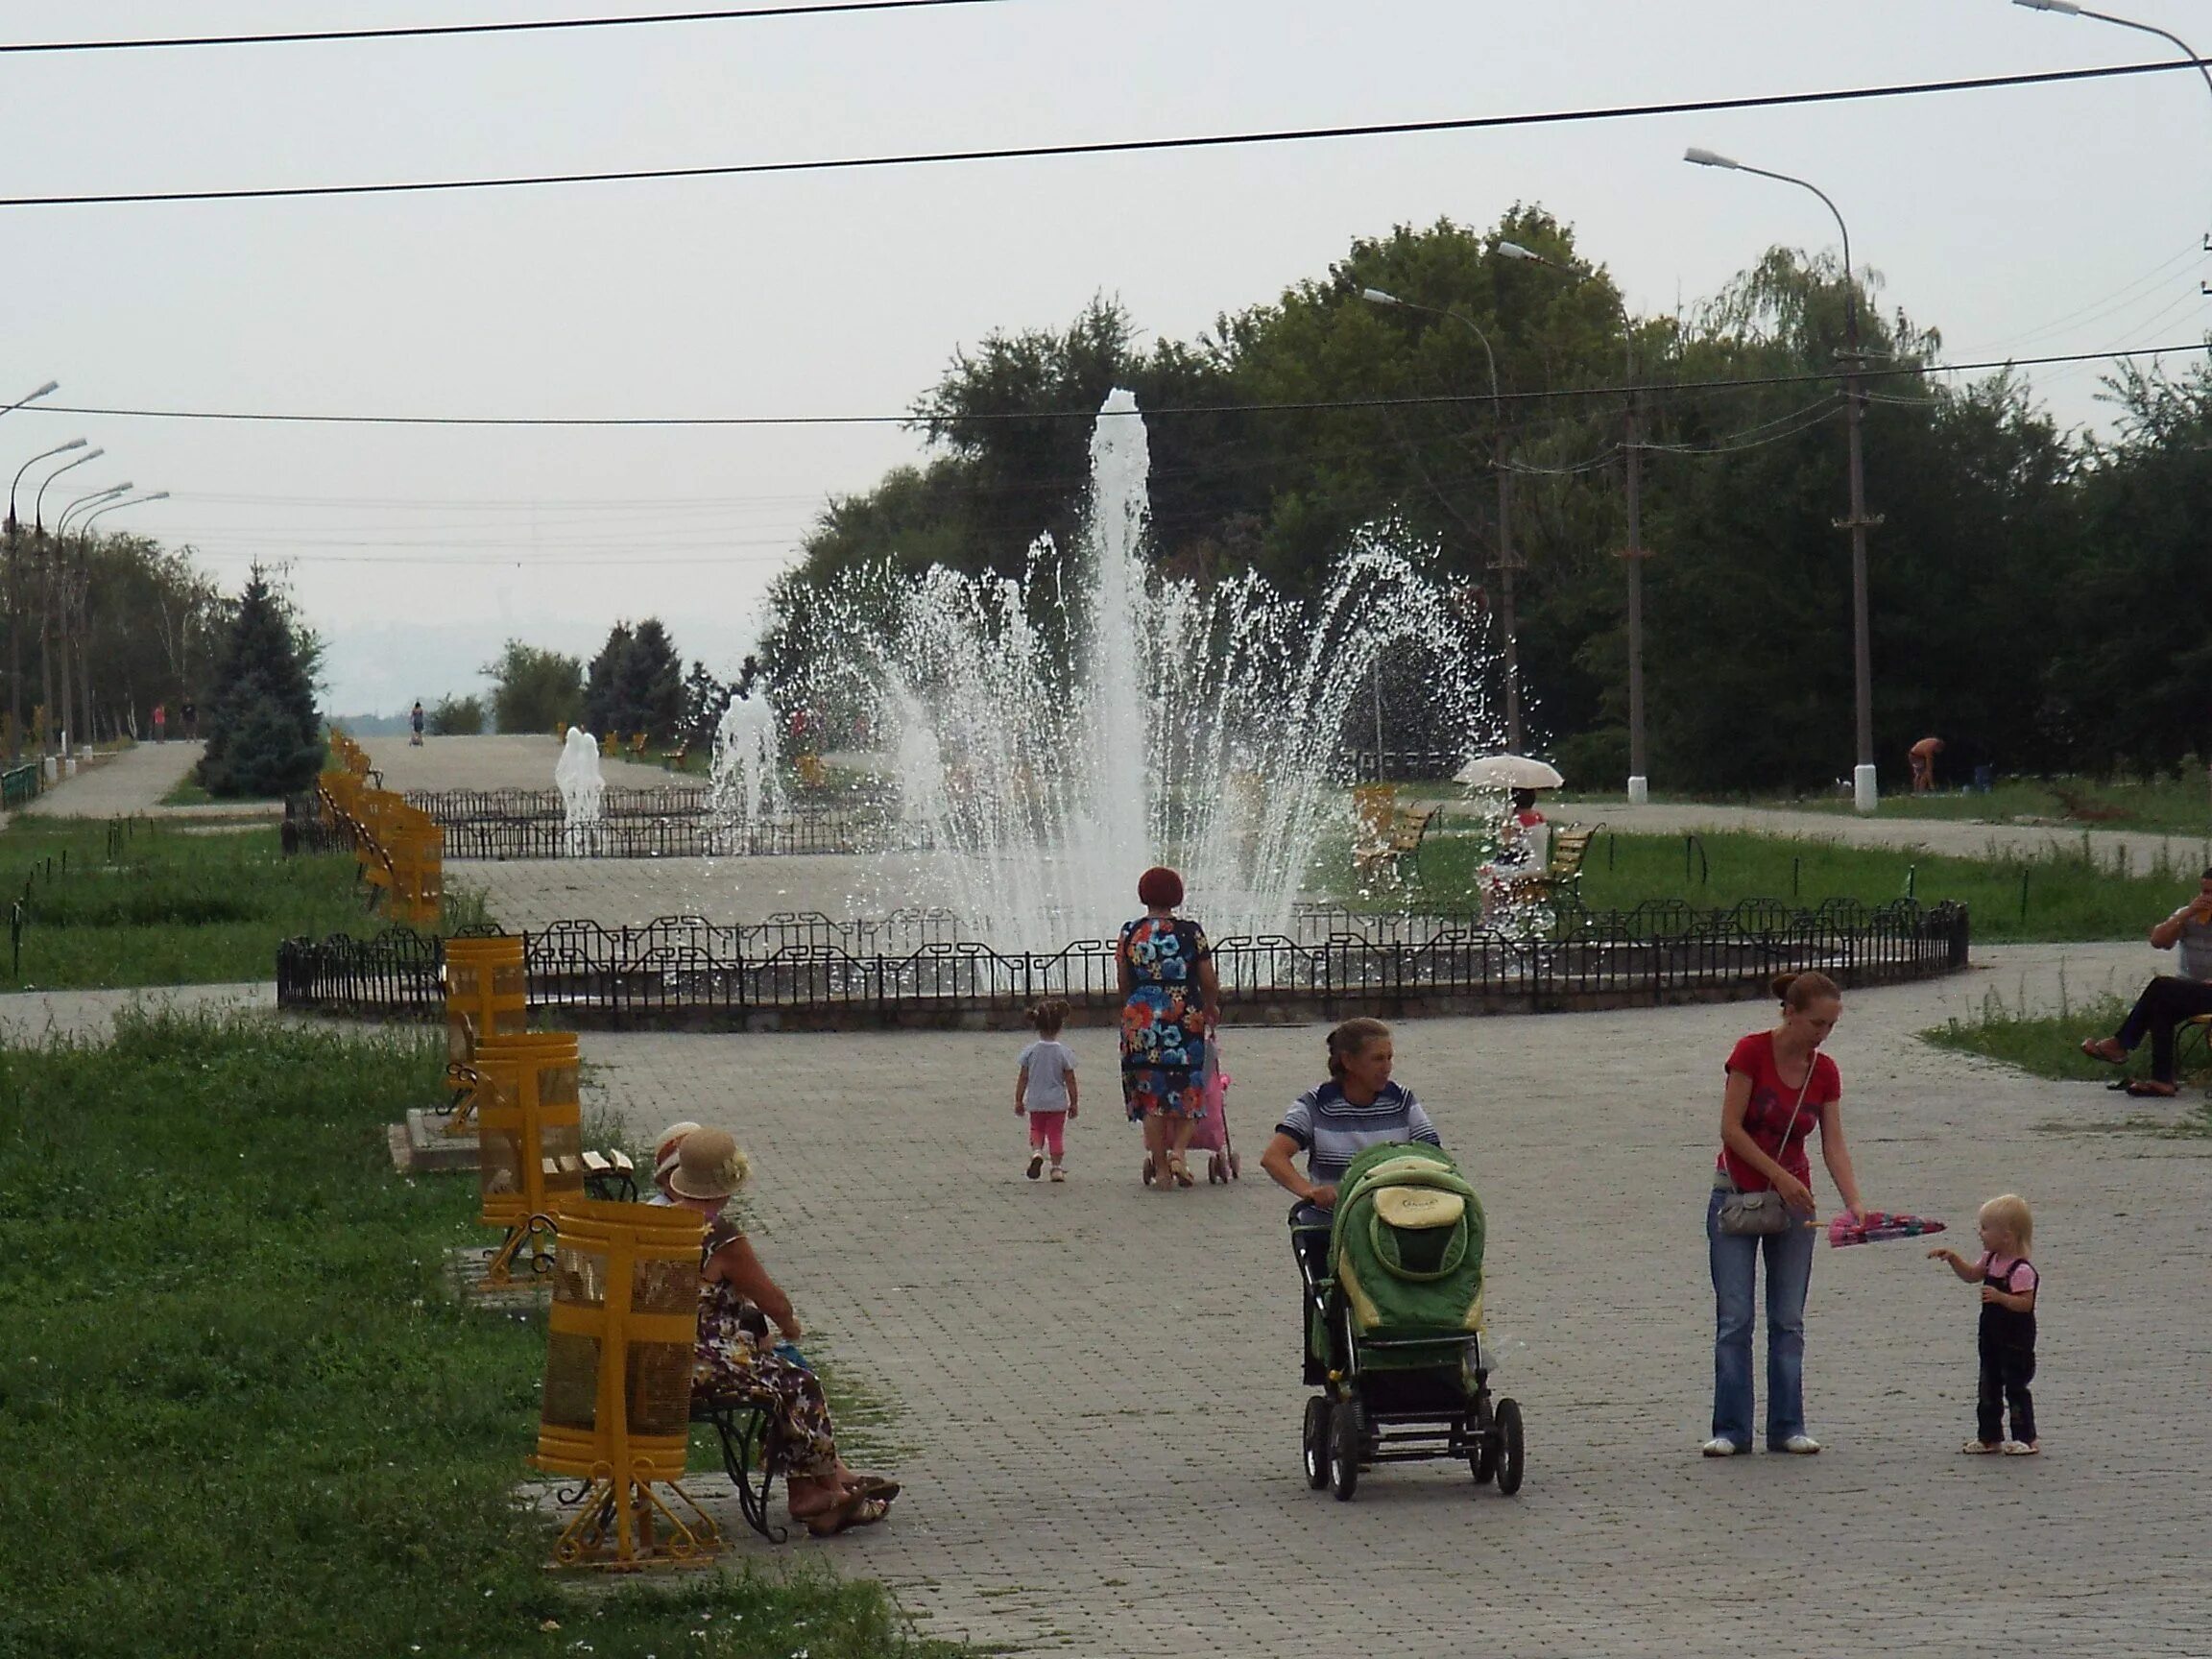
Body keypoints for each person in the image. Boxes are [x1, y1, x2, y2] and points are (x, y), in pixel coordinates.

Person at [666, 1129, 898, 1535]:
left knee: (779, 1378)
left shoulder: (656, 1224)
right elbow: (772, 1301)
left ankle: (825, 1496)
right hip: (701, 1366)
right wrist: (789, 1327)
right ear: (729, 1183)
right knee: (799, 1381)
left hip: (654, 1359)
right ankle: (811, 1494)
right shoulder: (721, 1238)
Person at [1704, 971, 1869, 1457]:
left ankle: (1787, 1426)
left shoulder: (1825, 1071)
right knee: (1735, 1319)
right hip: (1736, 1196)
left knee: (1789, 1319)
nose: (1822, 1034)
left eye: (1831, 1026)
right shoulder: (1751, 1052)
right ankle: (1731, 1430)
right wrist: (1778, 1175)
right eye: (1816, 1023)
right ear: (1790, 1013)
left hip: (1795, 1206)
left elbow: (1833, 1144)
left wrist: (1855, 1203)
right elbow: (1731, 1130)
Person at [1262, 1018, 1438, 1279]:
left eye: (1390, 1058)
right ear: (1348, 1062)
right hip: (1334, 1223)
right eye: (1377, 1059)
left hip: (1396, 1219)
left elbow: (1433, 1154)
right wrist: (1309, 1191)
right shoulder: (1316, 1105)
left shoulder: (1401, 1101)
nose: (1387, 1067)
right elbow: (1273, 1157)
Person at [1118, 866, 1220, 1189]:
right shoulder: (1190, 932)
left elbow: (1123, 981)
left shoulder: (1130, 932)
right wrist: (1210, 1005)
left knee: (1151, 1098)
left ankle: (1161, 1171)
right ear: (1177, 895)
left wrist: (1136, 1004)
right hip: (1183, 1017)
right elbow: (1208, 979)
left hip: (1141, 1019)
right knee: (1189, 1090)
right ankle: (1178, 1152)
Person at [2079, 868, 2212, 1098]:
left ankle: (2120, 1044)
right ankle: (2162, 1080)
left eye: (2211, 892)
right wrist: (2186, 914)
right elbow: (2158, 941)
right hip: (2193, 990)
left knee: (2161, 987)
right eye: (2203, 891)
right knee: (2161, 1006)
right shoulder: (2189, 916)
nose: (2206, 898)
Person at [1929, 1193, 2040, 1455]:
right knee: (1988, 1386)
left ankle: (2025, 1436)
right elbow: (1971, 1275)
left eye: (1985, 1228)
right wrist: (1954, 1259)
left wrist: (2002, 1298)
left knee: (2015, 1387)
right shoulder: (1990, 1259)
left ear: (2007, 1236)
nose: (1980, 1233)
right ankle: (1989, 1436)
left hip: (2015, 1340)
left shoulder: (2022, 1270)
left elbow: (2026, 1303)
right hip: (1990, 1337)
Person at [1015, 998, 1079, 1182]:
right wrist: (1074, 1102)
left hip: (1035, 1101)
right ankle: (1057, 1168)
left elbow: (1023, 1078)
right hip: (1057, 1103)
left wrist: (1019, 1099)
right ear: (1060, 1026)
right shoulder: (1063, 1052)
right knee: (1056, 1134)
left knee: (1037, 1129)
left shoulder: (1030, 1051)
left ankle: (1037, 1152)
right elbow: (1070, 1080)